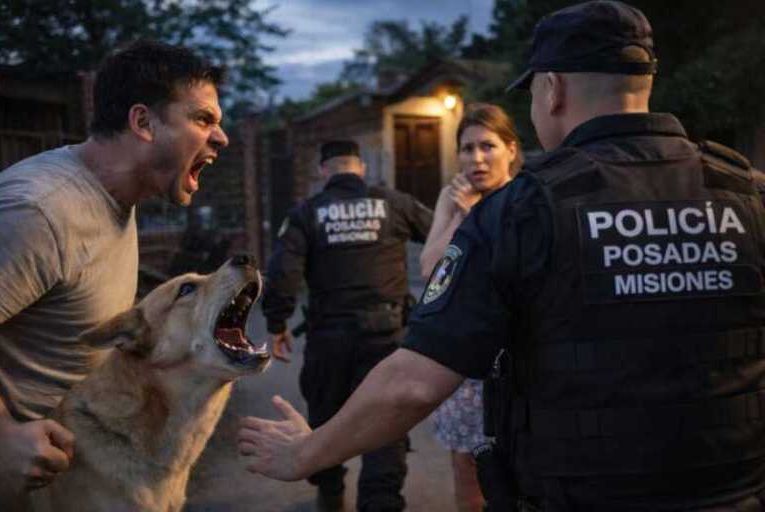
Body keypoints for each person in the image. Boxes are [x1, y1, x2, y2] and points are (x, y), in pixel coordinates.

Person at [238, 1, 765, 510]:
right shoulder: (746, 193)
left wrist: (304, 453)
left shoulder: (524, 210)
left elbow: (415, 382)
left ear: (552, 89)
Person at [0, 39, 228, 504]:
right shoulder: (39, 210)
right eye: (203, 119)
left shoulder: (117, 201)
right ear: (143, 122)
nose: (221, 137)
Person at [261, 139, 433, 512]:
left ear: (324, 171)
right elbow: (443, 238)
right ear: (361, 168)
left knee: (325, 421)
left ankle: (331, 494)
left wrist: (277, 323)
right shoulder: (394, 203)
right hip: (387, 339)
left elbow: (282, 273)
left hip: (329, 339)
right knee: (384, 427)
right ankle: (381, 503)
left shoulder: (307, 212)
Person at [420, 103, 522, 512]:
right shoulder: (457, 199)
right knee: (468, 475)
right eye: (466, 149)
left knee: (524, 476)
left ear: (511, 149)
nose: (476, 159)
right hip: (468, 367)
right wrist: (457, 213)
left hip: (520, 361)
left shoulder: (525, 198)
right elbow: (431, 269)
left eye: (488, 146)